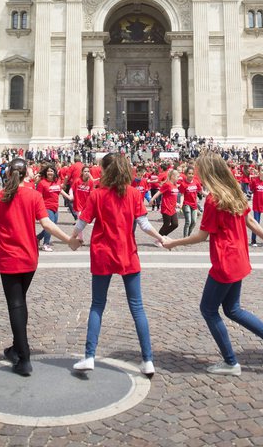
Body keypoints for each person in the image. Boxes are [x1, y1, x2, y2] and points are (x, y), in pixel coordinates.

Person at [163, 153, 263, 376]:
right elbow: (250, 221)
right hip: (239, 257)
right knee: (233, 309)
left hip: (224, 261)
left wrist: (173, 242)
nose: (199, 176)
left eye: (201, 172)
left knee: (208, 309)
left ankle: (231, 362)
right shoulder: (236, 193)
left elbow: (202, 236)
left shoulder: (214, 199)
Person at [70, 153, 164, 377]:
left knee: (97, 305)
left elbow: (81, 222)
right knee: (137, 307)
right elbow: (143, 224)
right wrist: (160, 237)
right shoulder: (132, 193)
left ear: (107, 170)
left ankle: (89, 356)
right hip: (127, 253)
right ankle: (148, 360)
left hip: (103, 253)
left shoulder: (97, 194)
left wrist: (73, 238)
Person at [0, 157, 76, 376]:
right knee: (20, 303)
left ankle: (24, 358)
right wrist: (68, 240)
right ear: (26, 175)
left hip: (8, 258)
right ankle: (16, 348)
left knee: (15, 304)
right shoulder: (34, 196)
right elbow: (47, 223)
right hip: (29, 258)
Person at [149, 168, 179, 238]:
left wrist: (176, 203)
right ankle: (159, 238)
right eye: (177, 176)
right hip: (166, 207)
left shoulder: (175, 185)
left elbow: (173, 195)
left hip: (173, 208)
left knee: (175, 224)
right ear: (172, 176)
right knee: (166, 224)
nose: (178, 178)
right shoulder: (167, 184)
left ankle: (162, 236)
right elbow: (159, 192)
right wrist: (152, 199)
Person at [178, 165, 202, 237]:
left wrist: (210, 195)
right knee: (188, 221)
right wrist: (181, 204)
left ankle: (188, 235)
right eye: (189, 173)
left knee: (194, 222)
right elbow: (182, 195)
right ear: (186, 174)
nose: (191, 175)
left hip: (194, 205)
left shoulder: (196, 182)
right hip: (186, 204)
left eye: (192, 174)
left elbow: (201, 191)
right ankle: (185, 238)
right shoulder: (183, 184)